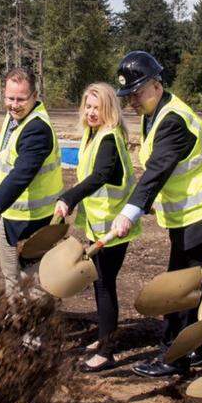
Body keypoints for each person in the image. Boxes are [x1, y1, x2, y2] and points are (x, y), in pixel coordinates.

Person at [109, 51, 202, 378]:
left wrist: (130, 212)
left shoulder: (173, 120)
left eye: (136, 93)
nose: (132, 101)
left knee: (178, 286)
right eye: (128, 96)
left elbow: (156, 172)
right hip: (187, 214)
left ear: (156, 84)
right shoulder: (154, 113)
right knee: (197, 279)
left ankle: (172, 358)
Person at [54, 82, 139, 372]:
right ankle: (105, 335)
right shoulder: (94, 135)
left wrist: (69, 197)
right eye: (88, 106)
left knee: (104, 286)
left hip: (113, 228)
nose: (91, 112)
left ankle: (106, 350)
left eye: (97, 107)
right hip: (99, 225)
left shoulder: (108, 139)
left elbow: (101, 175)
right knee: (100, 283)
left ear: (109, 109)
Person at [0, 68, 62, 294]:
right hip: (12, 215)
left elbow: (20, 176)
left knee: (32, 282)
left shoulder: (37, 130)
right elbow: (10, 137)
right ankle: (15, 321)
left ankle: (35, 326)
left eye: (21, 99)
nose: (14, 104)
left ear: (34, 96)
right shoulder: (14, 115)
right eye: (10, 98)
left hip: (35, 221)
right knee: (11, 277)